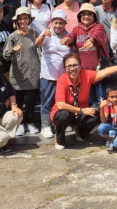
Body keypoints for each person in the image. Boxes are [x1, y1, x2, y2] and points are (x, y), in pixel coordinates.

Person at [51, 53, 117, 149]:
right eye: (69, 66)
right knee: (63, 115)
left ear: (80, 66)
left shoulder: (86, 74)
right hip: (66, 114)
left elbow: (104, 72)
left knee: (96, 113)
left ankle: (80, 133)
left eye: (75, 65)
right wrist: (82, 110)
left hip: (80, 114)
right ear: (65, 68)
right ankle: (59, 138)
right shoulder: (61, 80)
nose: (72, 68)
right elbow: (60, 105)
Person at [3, 6, 41, 136]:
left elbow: (40, 53)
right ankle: (18, 124)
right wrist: (13, 50)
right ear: (17, 20)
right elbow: (5, 56)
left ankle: (30, 122)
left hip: (32, 74)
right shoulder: (12, 36)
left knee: (30, 101)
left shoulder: (35, 34)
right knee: (17, 101)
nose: (23, 21)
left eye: (26, 18)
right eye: (21, 18)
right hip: (17, 75)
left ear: (29, 19)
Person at [34, 9, 71, 139]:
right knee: (47, 101)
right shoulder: (47, 33)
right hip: (48, 74)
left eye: (61, 23)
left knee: (62, 100)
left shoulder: (69, 35)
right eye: (55, 23)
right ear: (51, 23)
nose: (58, 26)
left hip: (63, 75)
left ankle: (59, 123)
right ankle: (46, 126)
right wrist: (44, 35)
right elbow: (36, 44)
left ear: (65, 24)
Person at [61, 3, 109, 73]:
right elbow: (72, 36)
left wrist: (91, 40)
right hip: (81, 71)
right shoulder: (76, 29)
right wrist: (67, 39)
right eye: (83, 14)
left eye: (89, 14)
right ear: (80, 16)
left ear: (94, 16)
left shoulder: (99, 27)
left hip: (98, 71)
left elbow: (97, 34)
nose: (86, 16)